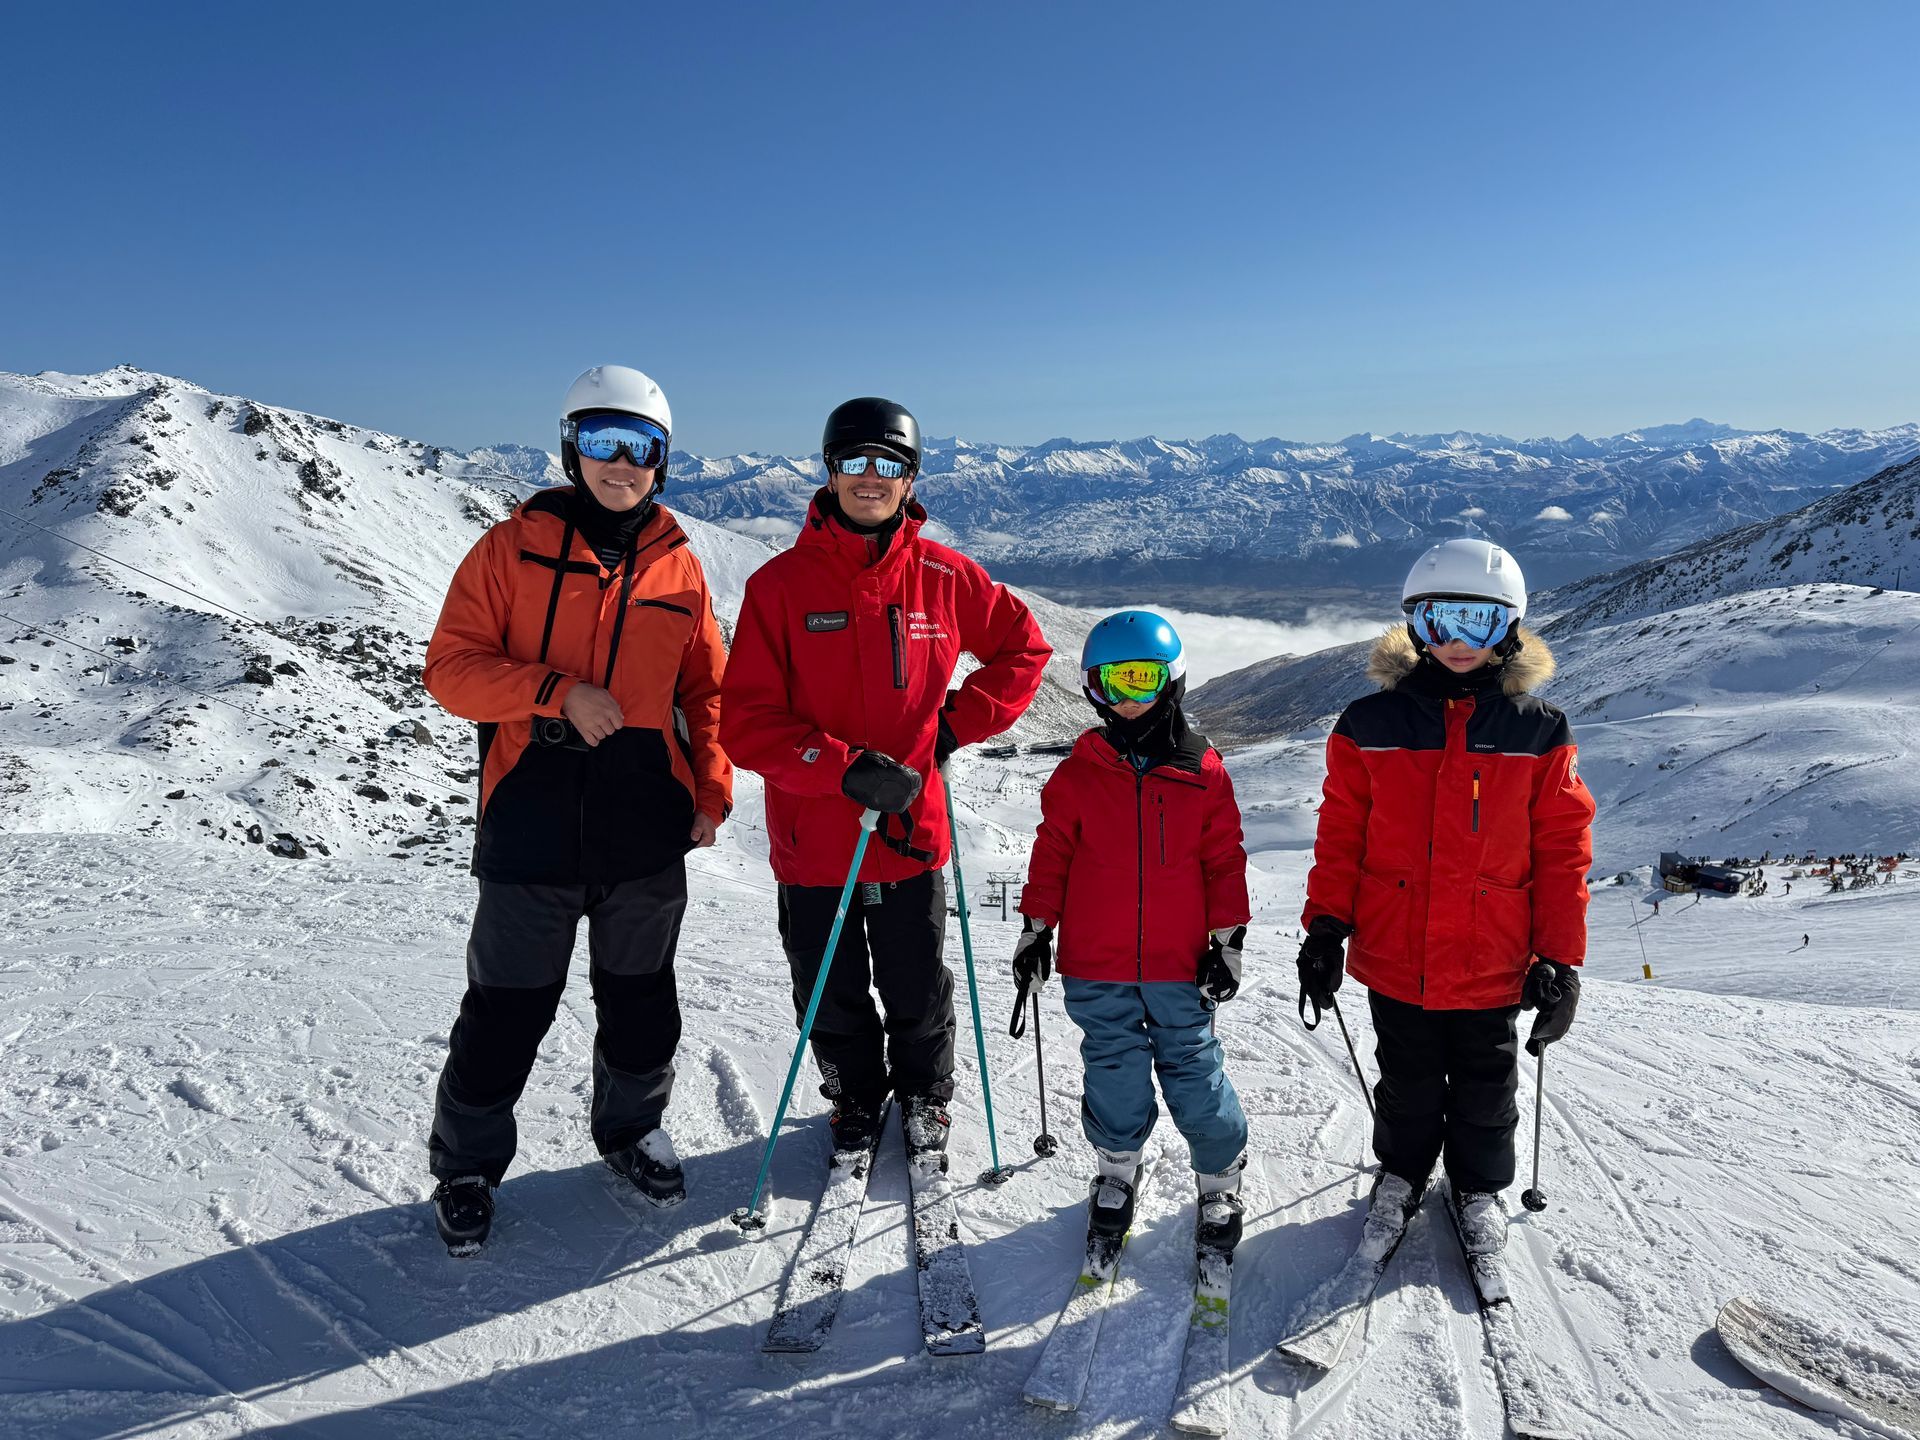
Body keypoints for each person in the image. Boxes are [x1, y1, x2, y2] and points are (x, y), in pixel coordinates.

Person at [420, 365, 732, 1254]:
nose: (620, 462)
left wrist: (710, 789)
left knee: (640, 1002)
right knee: (507, 1006)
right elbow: (450, 669)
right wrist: (555, 692)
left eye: (640, 447)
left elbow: (706, 690)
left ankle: (631, 1132)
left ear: (663, 462)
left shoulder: (679, 564)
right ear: (571, 447)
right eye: (601, 439)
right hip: (532, 810)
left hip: (644, 818)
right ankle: (467, 1166)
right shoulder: (508, 550)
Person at [720, 397, 1049, 1168]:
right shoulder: (780, 587)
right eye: (856, 462)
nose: (871, 479)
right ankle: (857, 1100)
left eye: (888, 464)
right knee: (828, 986)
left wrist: (957, 726)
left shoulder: (944, 575)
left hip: (911, 829)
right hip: (815, 837)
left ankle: (927, 1095)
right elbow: (745, 723)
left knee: (916, 982)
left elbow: (1023, 651)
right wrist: (841, 767)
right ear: (830, 471)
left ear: (910, 479)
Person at [1296, 538, 1592, 1257]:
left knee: (1488, 1090)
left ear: (1511, 629)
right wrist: (1326, 928)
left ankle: (1478, 1188)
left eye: (1481, 625)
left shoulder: (1537, 729)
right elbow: (1342, 833)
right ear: (1414, 628)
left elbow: (1562, 851)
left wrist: (1560, 958)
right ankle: (1400, 1175)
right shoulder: (1371, 724)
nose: (1459, 643)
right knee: (1408, 1081)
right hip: (1396, 950)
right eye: (1439, 623)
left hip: (1493, 956)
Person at [1013, 611, 1252, 1255]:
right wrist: (1037, 930)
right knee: (1112, 1066)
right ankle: (1117, 1167)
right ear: (1093, 688)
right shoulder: (1081, 771)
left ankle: (1221, 1176)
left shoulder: (1204, 773)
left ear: (1170, 682)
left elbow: (1225, 860)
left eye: (1142, 680)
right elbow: (1052, 851)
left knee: (1193, 1068)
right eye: (1111, 682)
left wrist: (1226, 942)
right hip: (1096, 959)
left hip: (1180, 962)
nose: (1126, 697)